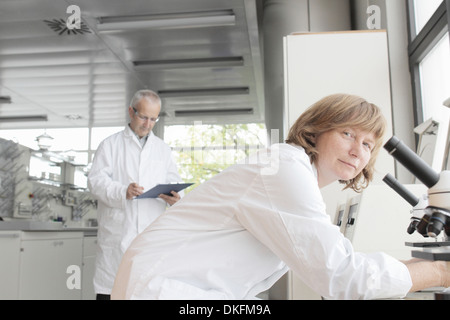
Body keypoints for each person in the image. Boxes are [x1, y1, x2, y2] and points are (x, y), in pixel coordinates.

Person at [111, 93, 449, 300]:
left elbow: (338, 262)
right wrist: (440, 272)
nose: (357, 150)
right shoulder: (284, 168)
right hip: (164, 290)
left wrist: (431, 267)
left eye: (367, 144)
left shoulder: (293, 174)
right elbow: (340, 277)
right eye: (347, 133)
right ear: (316, 130)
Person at [88, 89, 183, 300]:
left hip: (150, 236)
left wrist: (176, 197)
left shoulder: (163, 150)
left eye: (153, 119)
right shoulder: (110, 145)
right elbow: (95, 182)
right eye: (143, 117)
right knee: (112, 291)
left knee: (147, 291)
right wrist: (123, 191)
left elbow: (173, 181)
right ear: (131, 112)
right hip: (118, 235)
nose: (148, 124)